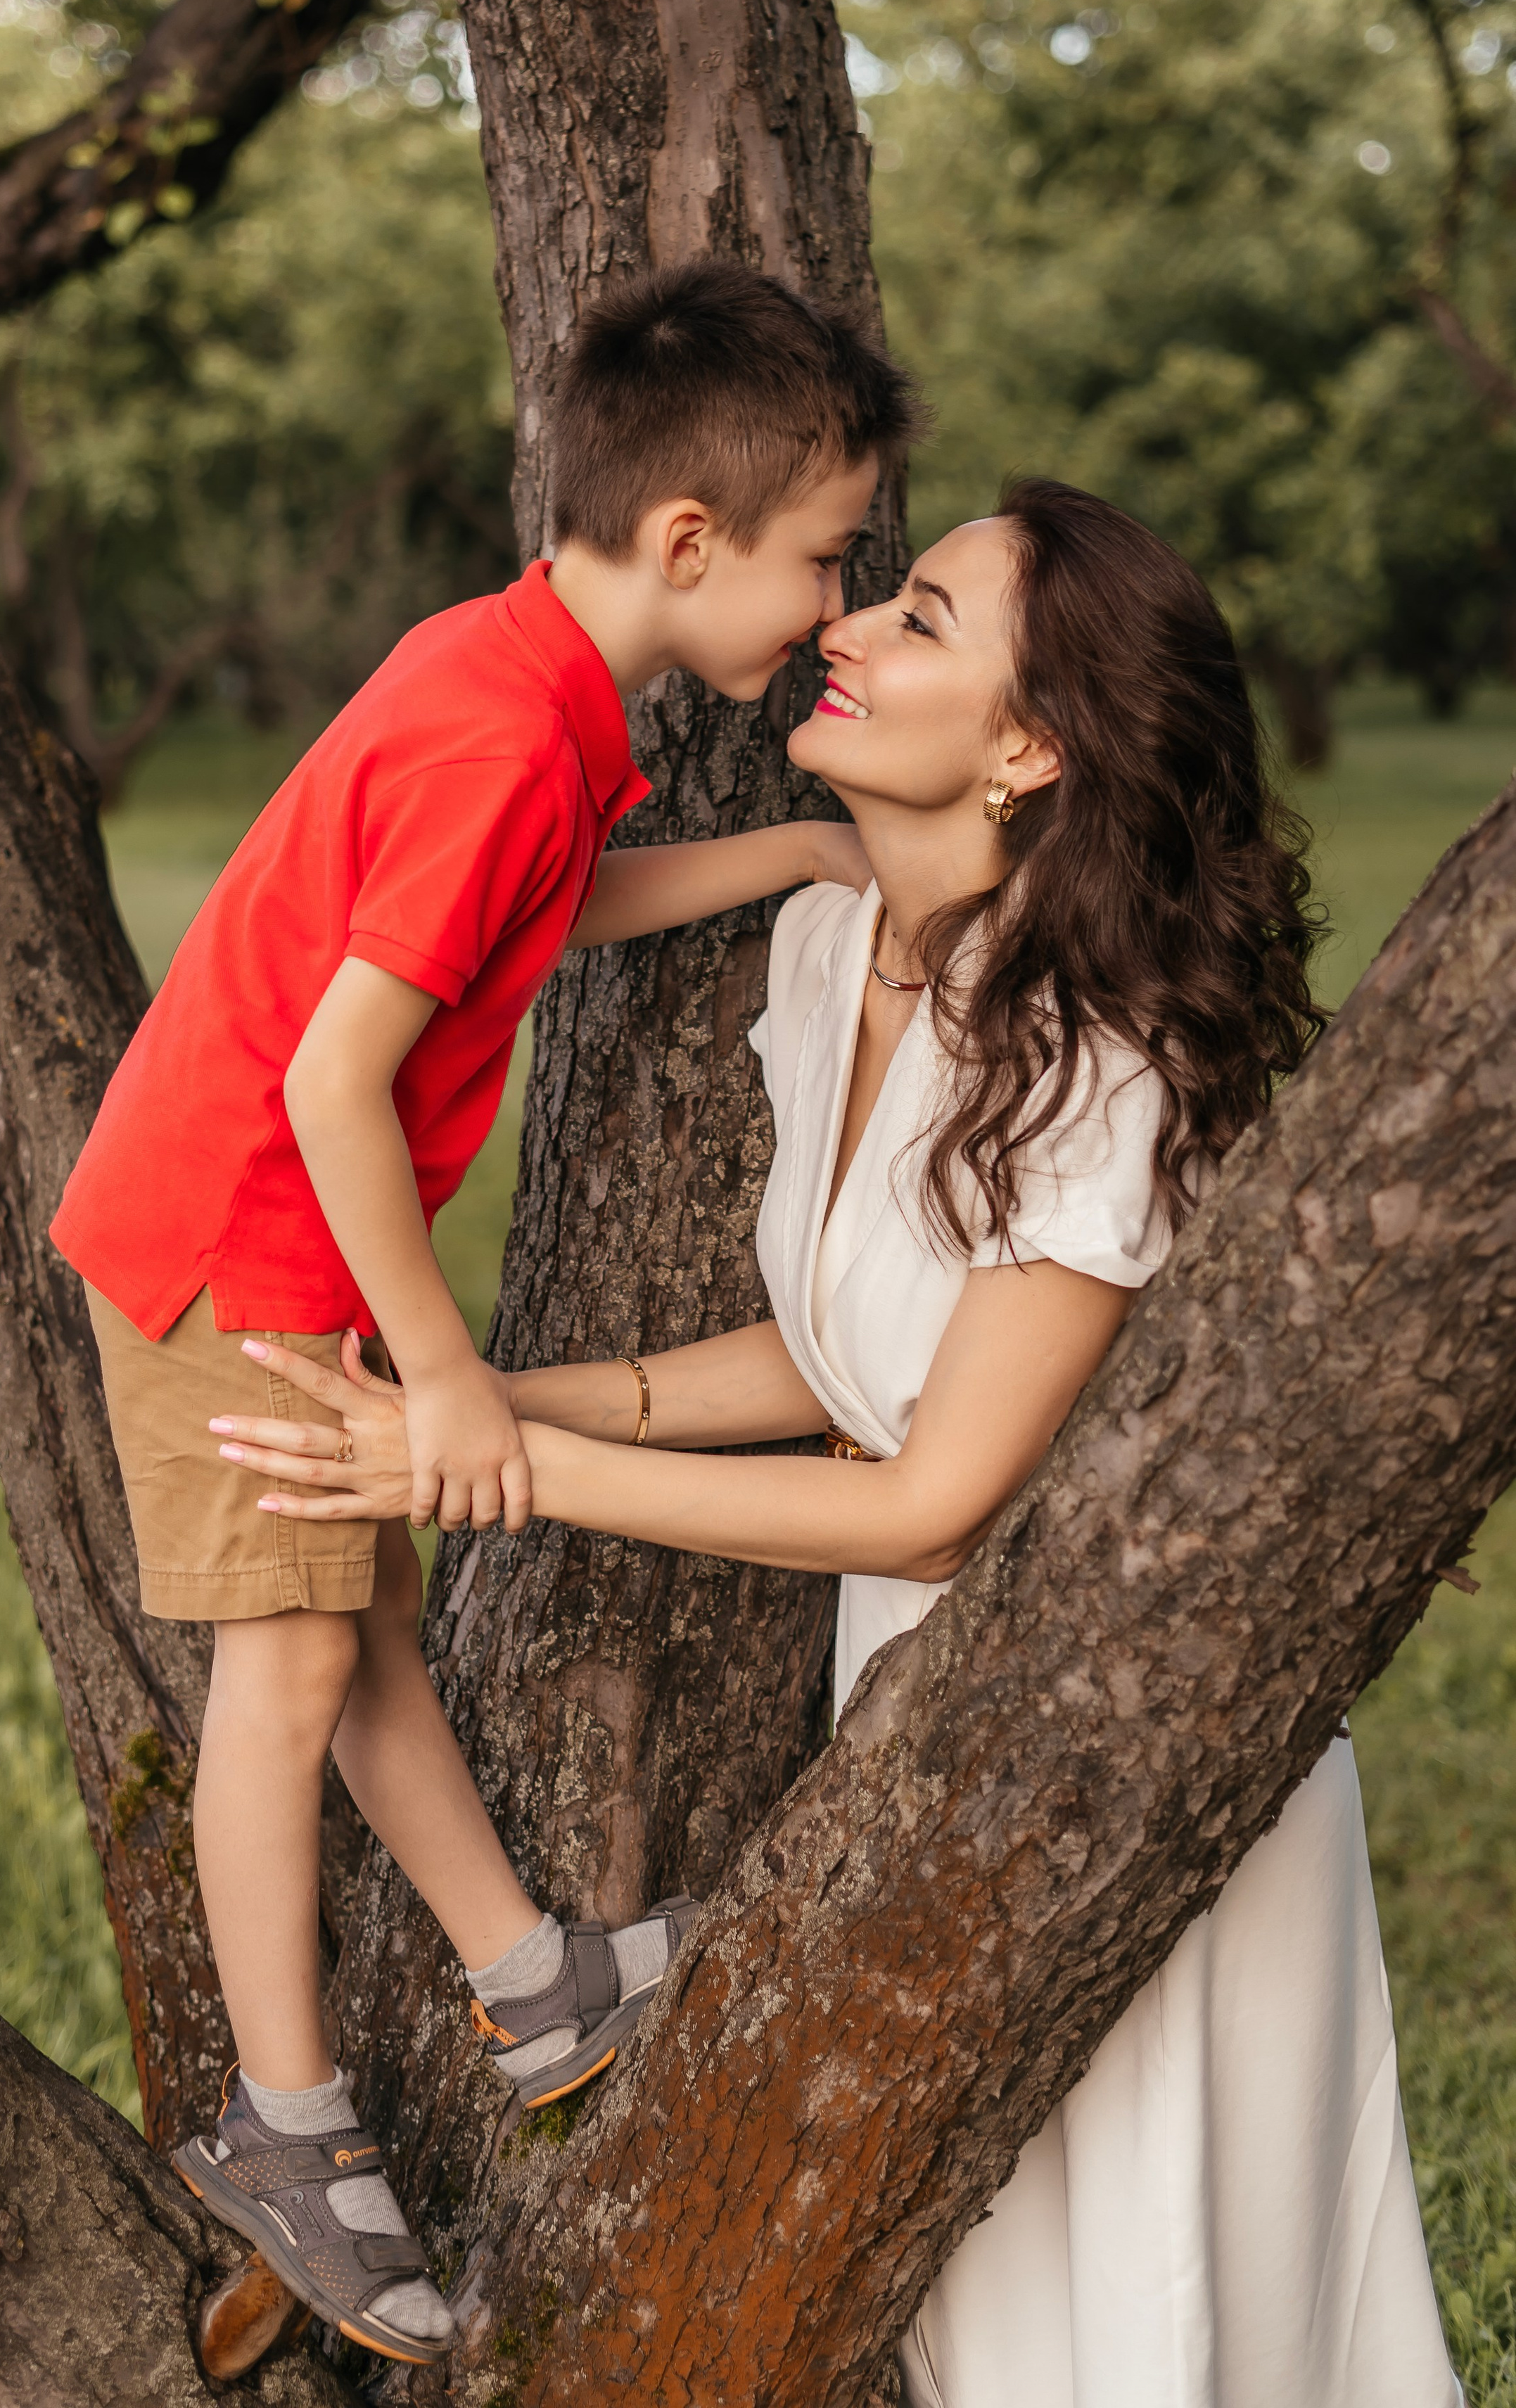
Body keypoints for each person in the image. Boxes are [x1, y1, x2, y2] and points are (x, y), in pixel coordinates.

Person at [219, 480, 1464, 2407]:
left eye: (923, 620)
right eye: (870, 594)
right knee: (984, 2308)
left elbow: (940, 1497)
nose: (849, 632)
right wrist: (468, 1396)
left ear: (1032, 745)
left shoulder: (1108, 1053)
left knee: (1150, 2303)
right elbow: (838, 1364)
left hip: (1127, 1736)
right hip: (922, 1723)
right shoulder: (834, 951)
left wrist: (479, 1472)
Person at [48, 259, 920, 2366]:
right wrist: (444, 1377)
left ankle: (537, 1983)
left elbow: (558, 908)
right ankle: (286, 2125)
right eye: (823, 564)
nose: (828, 613)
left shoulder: (525, 688)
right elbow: (337, 1074)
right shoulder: (499, 732)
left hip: (260, 1242)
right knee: (286, 1671)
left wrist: (796, 848)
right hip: (234, 1250)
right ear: (691, 541)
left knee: (362, 1648)